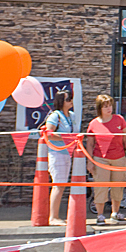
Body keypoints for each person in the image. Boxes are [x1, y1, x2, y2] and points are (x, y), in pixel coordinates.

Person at [84, 94, 126, 224]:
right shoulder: (94, 124)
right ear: (99, 108)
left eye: (110, 105)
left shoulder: (119, 119)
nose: (109, 109)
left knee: (118, 186)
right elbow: (90, 144)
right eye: (105, 106)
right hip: (100, 159)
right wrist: (90, 161)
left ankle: (115, 212)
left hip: (119, 157)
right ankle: (100, 215)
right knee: (101, 186)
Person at [43, 90, 75, 226]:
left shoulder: (71, 115)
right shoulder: (55, 116)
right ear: (61, 101)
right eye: (68, 99)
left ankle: (56, 215)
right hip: (56, 152)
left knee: (62, 185)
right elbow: (49, 133)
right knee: (58, 184)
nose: (71, 101)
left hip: (67, 152)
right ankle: (53, 217)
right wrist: (65, 137)